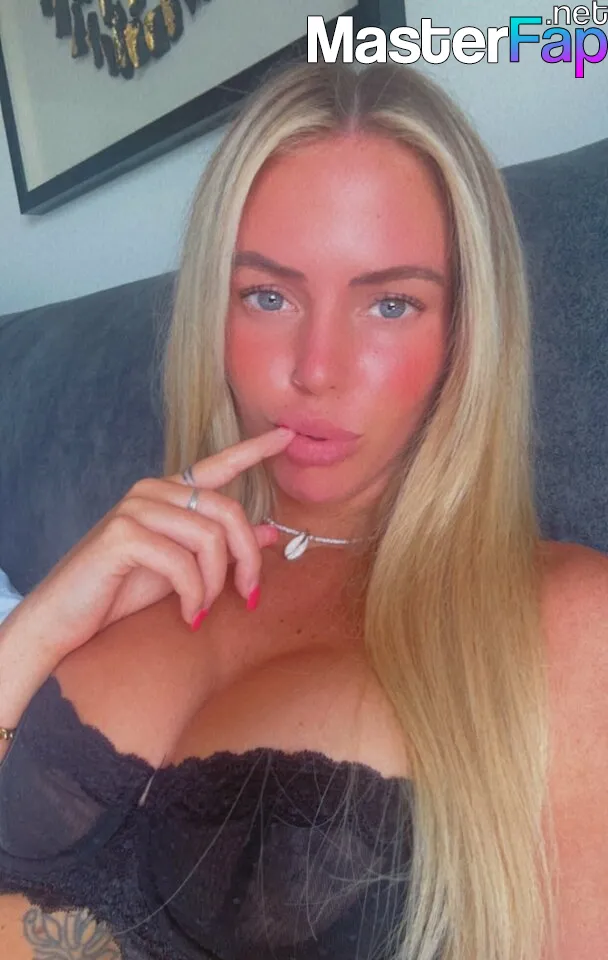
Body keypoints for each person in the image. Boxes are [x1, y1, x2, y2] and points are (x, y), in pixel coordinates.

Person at [0, 60, 606, 960]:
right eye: (269, 296)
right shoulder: (132, 571)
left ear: (465, 334)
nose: (317, 368)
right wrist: (36, 632)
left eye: (391, 303)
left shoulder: (563, 622)